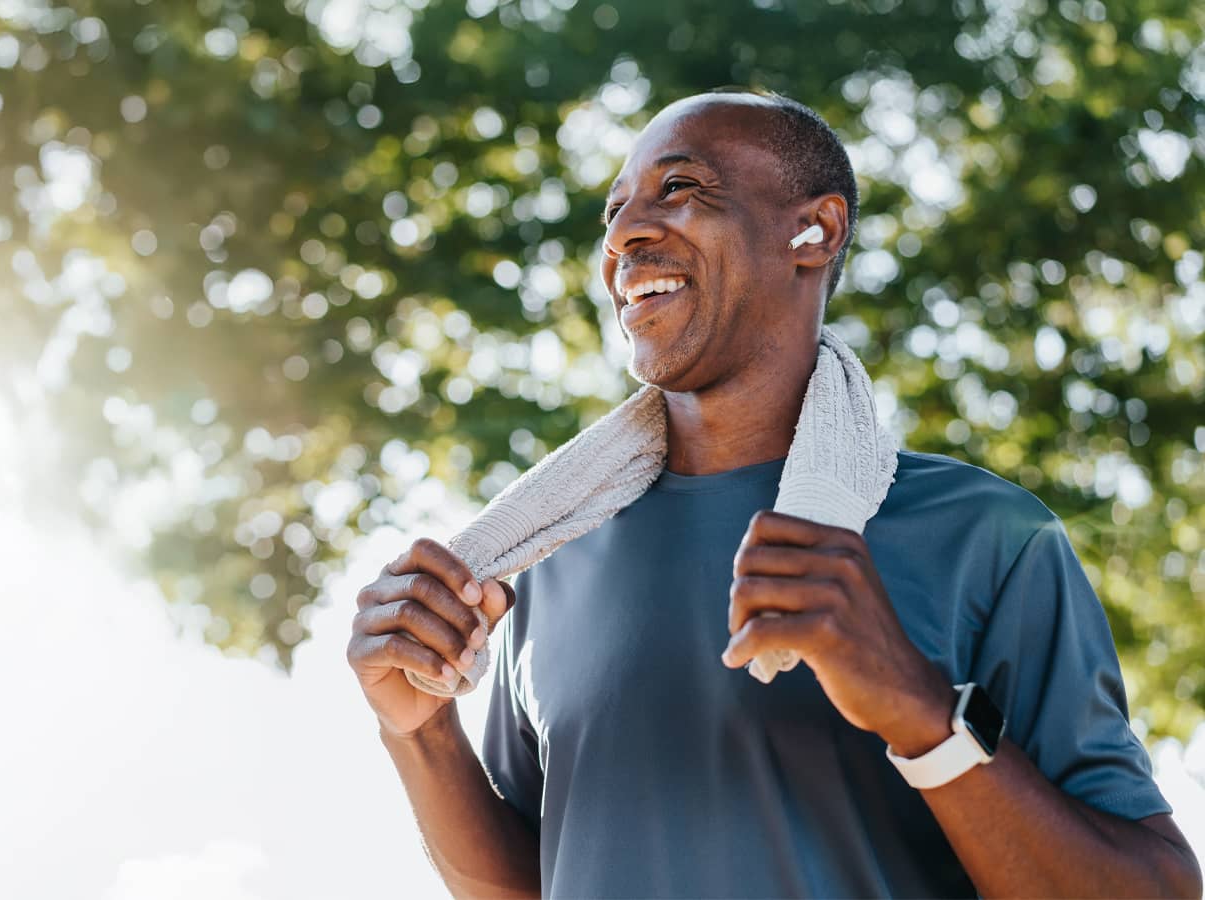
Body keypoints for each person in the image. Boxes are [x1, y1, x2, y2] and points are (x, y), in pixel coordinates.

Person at [345, 91, 1202, 898]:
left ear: (814, 232)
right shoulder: (546, 556)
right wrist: (419, 733)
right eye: (614, 212)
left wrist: (922, 713)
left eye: (679, 189)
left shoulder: (987, 538)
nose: (625, 236)